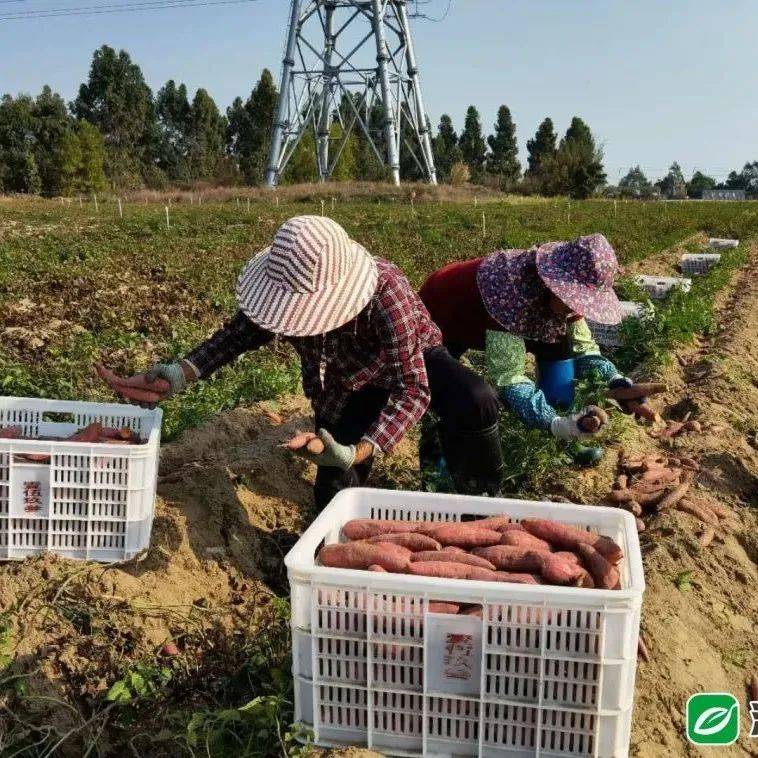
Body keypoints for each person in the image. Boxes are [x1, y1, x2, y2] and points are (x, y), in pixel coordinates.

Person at [99, 215, 504, 508]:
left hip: (408, 360)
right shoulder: (287, 286)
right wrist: (181, 372)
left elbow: (412, 388)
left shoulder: (387, 291)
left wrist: (363, 448)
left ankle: (481, 505)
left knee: (475, 397)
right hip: (348, 382)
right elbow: (240, 333)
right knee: (334, 487)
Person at [418, 233, 653, 466]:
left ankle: (563, 444)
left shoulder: (566, 300)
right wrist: (554, 423)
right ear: (554, 285)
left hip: (523, 309)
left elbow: (585, 350)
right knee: (447, 392)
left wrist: (615, 380)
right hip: (445, 312)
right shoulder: (508, 294)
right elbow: (510, 378)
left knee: (561, 354)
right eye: (575, 300)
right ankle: (438, 463)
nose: (576, 308)